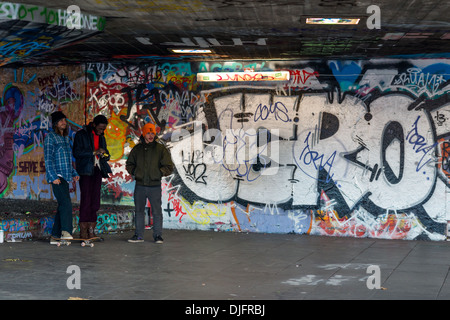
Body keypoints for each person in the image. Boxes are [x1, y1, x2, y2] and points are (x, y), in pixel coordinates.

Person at [126, 123, 173, 243]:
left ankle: (158, 236)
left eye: (152, 133)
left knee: (157, 211)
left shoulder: (160, 149)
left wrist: (158, 173)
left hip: (154, 186)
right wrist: (136, 172)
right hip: (140, 185)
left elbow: (169, 166)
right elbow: (129, 164)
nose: (151, 135)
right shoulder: (137, 149)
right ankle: (139, 236)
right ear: (143, 133)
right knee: (139, 210)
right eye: (148, 133)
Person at [73, 115, 112, 240]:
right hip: (85, 170)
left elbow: (106, 154)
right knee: (86, 199)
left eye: (103, 129)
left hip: (97, 169)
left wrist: (104, 154)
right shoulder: (81, 135)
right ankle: (83, 231)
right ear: (94, 125)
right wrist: (93, 152)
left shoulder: (102, 137)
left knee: (95, 200)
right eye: (100, 128)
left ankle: (92, 229)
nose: (101, 131)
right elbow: (76, 153)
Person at [44, 111, 79, 244]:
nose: (63, 122)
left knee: (62, 206)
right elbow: (48, 159)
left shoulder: (65, 138)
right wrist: (53, 177)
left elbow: (67, 160)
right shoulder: (50, 137)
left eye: (64, 120)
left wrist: (74, 173)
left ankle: (55, 236)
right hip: (56, 177)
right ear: (55, 124)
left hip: (65, 176)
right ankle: (66, 232)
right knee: (66, 204)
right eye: (60, 121)